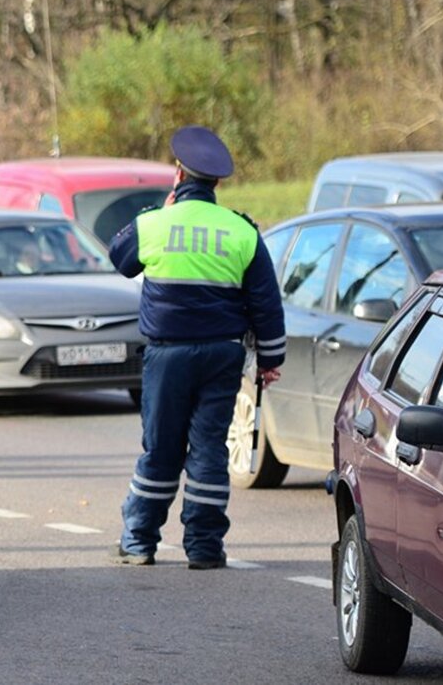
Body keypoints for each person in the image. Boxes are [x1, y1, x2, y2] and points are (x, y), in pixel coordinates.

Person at [107, 126, 286, 570]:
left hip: (167, 355)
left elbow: (120, 258)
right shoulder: (242, 232)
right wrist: (271, 359)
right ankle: (204, 547)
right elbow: (266, 301)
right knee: (209, 449)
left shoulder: (154, 223)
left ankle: (138, 542)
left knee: (161, 448)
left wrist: (160, 212)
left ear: (178, 174)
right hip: (223, 355)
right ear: (217, 183)